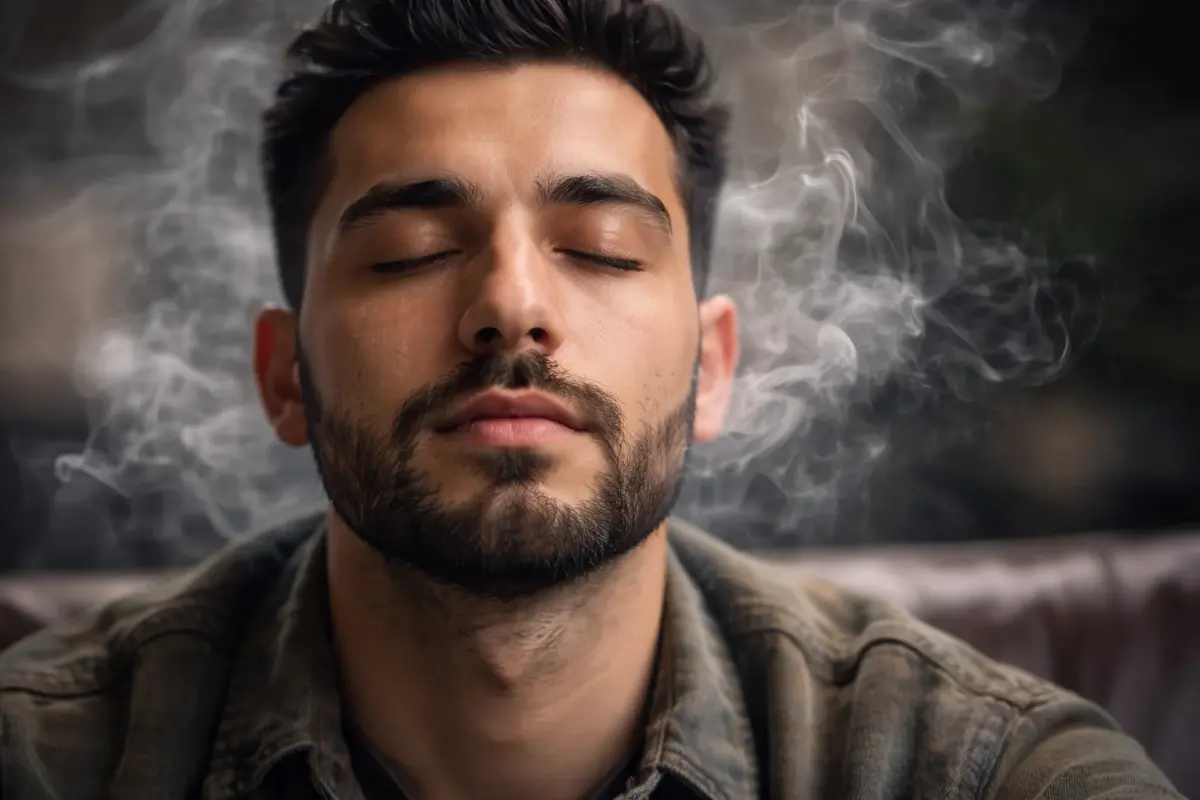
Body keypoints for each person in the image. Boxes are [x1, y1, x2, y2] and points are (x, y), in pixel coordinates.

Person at [0, 1, 1183, 798]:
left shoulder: (972, 768)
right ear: (284, 374)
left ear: (711, 367)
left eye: (605, 247)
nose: (512, 305)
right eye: (411, 248)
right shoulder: (49, 757)